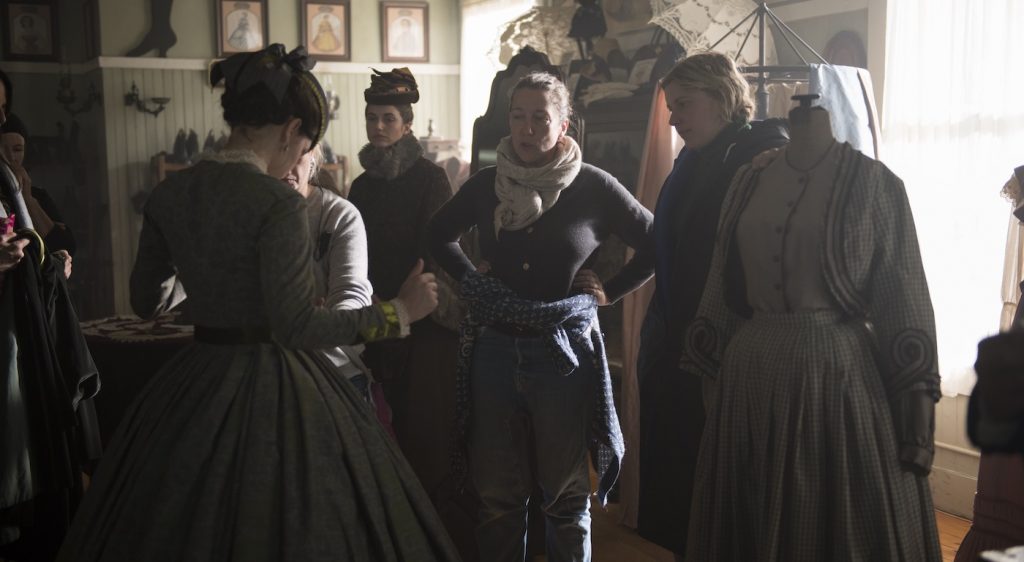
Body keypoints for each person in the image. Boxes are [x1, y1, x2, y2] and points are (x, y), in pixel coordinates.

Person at [55, 45, 459, 562]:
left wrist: (208, 266)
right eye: (305, 144)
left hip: (194, 381)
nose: (298, 159)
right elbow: (296, 327)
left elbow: (149, 302)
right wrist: (399, 312)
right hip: (278, 386)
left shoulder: (171, 195)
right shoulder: (279, 203)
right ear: (292, 130)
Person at [680, 96, 941, 560]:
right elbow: (721, 281)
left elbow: (904, 298)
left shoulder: (876, 184)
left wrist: (918, 428)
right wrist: (708, 379)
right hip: (750, 373)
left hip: (834, 377)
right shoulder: (748, 179)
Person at [428, 71, 654, 562]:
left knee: (565, 495)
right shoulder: (488, 182)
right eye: (518, 117)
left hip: (562, 354)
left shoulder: (594, 186)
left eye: (540, 118)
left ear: (564, 124)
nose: (527, 129)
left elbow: (657, 245)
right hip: (493, 348)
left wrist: (607, 292)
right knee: (498, 498)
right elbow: (438, 234)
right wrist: (472, 280)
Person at [634, 51, 788, 559]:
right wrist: (610, 287)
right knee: (678, 481)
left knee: (721, 483)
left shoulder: (762, 151)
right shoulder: (692, 156)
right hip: (675, 337)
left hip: (725, 345)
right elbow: (664, 241)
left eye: (684, 104)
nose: (674, 118)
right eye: (671, 106)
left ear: (723, 98)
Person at [346, 66, 476, 560]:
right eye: (372, 118)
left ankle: (434, 541)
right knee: (382, 431)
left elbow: (440, 250)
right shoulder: (360, 186)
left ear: (406, 125)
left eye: (388, 119)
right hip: (377, 316)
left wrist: (410, 300)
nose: (378, 127)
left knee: (426, 435)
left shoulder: (430, 178)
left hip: (425, 323)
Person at [285, 145, 394, 433]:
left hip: (336, 373)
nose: (287, 162)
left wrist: (320, 325)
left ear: (313, 157)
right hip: (270, 377)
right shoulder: (249, 216)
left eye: (298, 151)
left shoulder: (338, 215)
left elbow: (352, 295)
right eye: (278, 149)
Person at [1, 113, 76, 274]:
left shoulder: (38, 195)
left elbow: (65, 246)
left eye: (17, 150)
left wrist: (27, 198)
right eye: (2, 150)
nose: (11, 158)